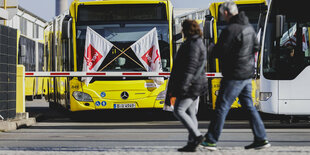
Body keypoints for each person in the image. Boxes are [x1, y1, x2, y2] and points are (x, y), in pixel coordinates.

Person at [200, 1, 271, 151]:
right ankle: (261, 138)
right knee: (249, 107)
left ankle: (211, 140)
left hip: (234, 74)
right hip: (246, 74)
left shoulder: (230, 29)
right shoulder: (249, 28)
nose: (222, 17)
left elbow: (219, 52)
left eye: (221, 14)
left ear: (226, 13)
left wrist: (210, 47)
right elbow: (257, 47)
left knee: (221, 106)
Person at [165, 19, 207, 152]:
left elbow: (190, 68)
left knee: (178, 110)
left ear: (187, 29)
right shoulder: (195, 42)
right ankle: (191, 143)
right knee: (190, 112)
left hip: (190, 85)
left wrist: (183, 86)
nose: (181, 31)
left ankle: (197, 136)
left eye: (183, 29)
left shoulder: (193, 44)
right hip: (195, 84)